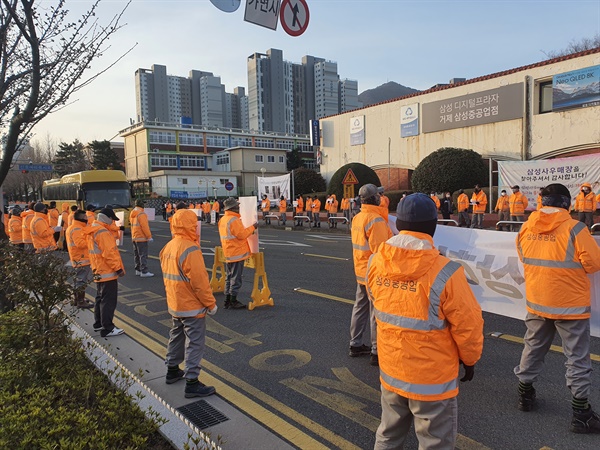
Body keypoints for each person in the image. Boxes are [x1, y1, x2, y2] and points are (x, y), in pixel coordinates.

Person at [367, 193, 484, 449]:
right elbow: (468, 325)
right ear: (434, 226)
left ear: (398, 223)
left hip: (392, 369)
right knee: (435, 443)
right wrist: (470, 359)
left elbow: (375, 302)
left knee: (388, 435)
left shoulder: (376, 261)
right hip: (432, 379)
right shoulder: (447, 271)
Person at [514, 183, 600, 433]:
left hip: (537, 300)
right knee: (577, 358)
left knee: (532, 348)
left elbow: (523, 257)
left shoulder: (526, 227)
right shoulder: (576, 229)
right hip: (570, 305)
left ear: (542, 201)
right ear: (566, 203)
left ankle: (524, 395)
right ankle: (581, 413)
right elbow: (593, 264)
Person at [160, 208, 217, 398]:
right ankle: (192, 382)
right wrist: (210, 304)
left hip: (175, 303)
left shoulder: (168, 246)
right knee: (195, 342)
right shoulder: (190, 249)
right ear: (191, 225)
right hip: (191, 306)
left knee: (176, 335)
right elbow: (200, 282)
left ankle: (172, 369)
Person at [349, 184, 392, 366]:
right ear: (375, 198)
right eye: (379, 195)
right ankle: (376, 350)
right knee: (376, 311)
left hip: (360, 270)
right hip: (374, 272)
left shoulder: (358, 217)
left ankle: (355, 344)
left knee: (360, 306)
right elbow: (381, 251)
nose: (381, 197)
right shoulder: (375, 220)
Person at [86, 208, 126, 338]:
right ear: (106, 218)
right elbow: (108, 253)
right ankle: (108, 328)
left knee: (100, 298)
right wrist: (118, 268)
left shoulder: (94, 228)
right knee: (108, 300)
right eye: (111, 219)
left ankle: (99, 323)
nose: (112, 222)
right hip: (106, 270)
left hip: (98, 269)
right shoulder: (102, 232)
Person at [218, 197, 258, 310]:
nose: (239, 208)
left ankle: (227, 300)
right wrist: (253, 227)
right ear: (233, 208)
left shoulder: (223, 219)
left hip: (228, 252)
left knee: (229, 277)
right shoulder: (234, 220)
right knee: (236, 278)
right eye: (237, 206)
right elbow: (241, 234)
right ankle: (233, 301)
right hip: (237, 252)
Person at [66, 210, 94, 309]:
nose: (87, 219)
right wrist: (91, 240)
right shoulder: (77, 229)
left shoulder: (74, 227)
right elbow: (80, 244)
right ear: (82, 218)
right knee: (81, 281)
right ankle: (80, 301)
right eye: (85, 217)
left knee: (78, 280)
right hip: (81, 258)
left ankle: (77, 299)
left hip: (77, 257)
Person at [130, 199, 154, 278]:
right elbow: (144, 226)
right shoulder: (141, 214)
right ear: (141, 205)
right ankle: (144, 271)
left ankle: (138, 269)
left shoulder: (133, 213)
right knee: (143, 254)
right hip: (141, 237)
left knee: (136, 254)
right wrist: (149, 236)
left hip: (134, 237)